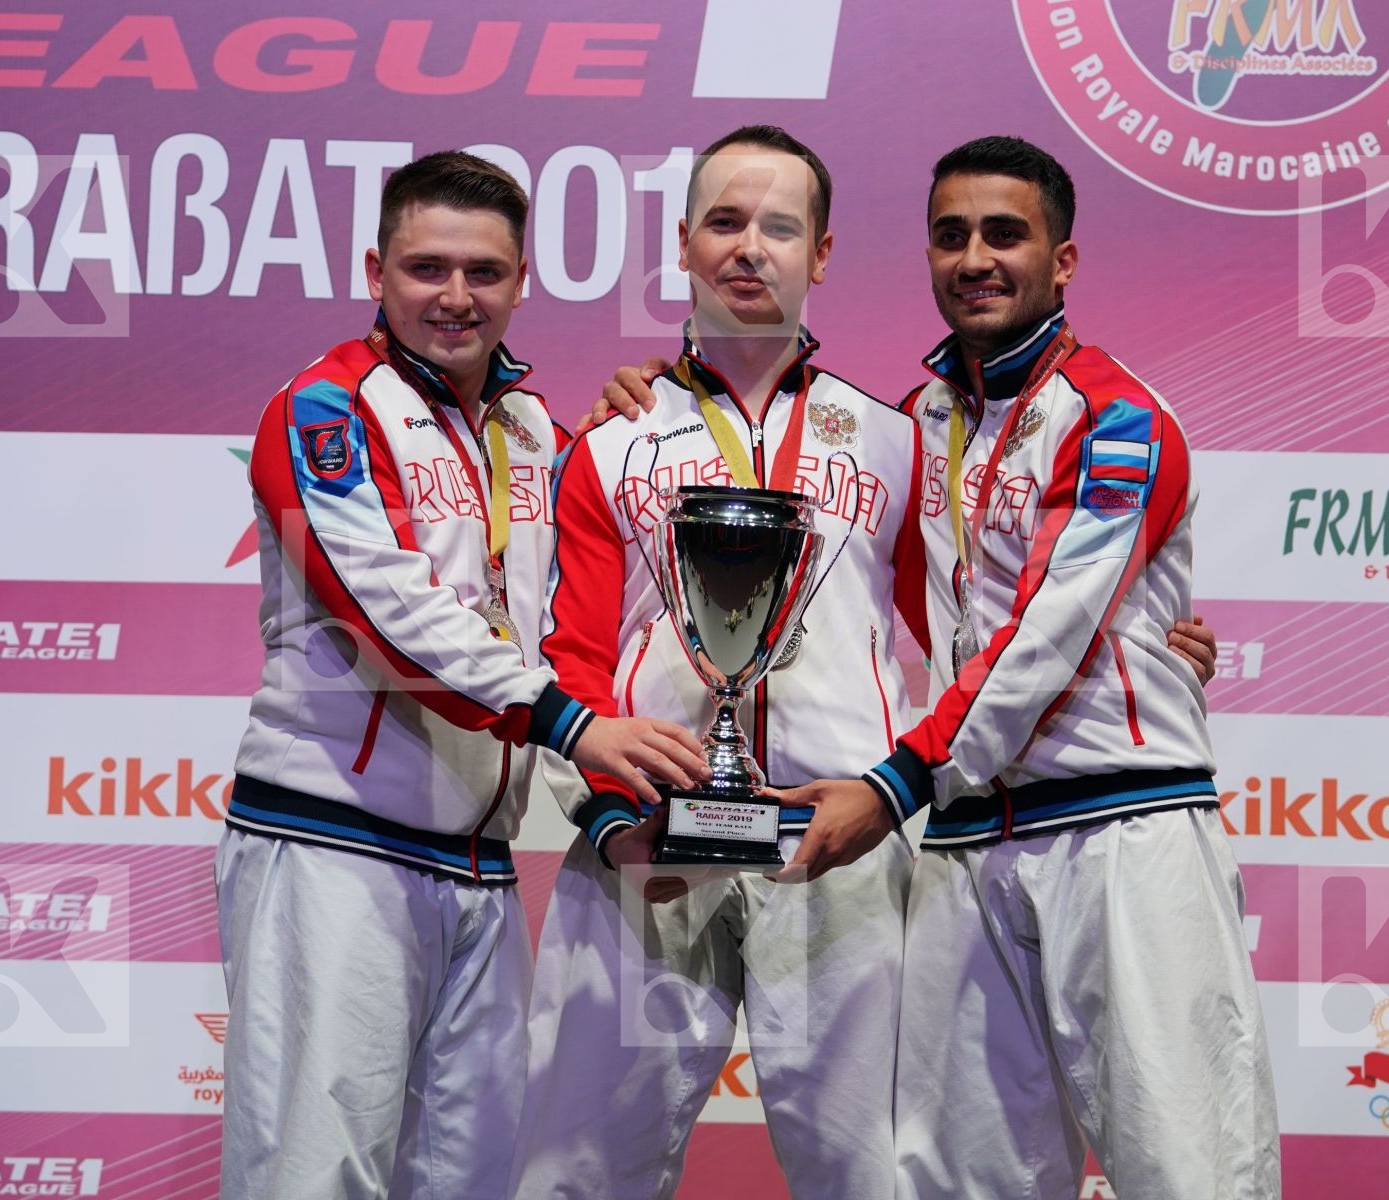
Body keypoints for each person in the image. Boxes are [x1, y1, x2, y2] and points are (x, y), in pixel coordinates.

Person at [514, 128, 1221, 1200]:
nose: (750, 248)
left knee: (874, 1175)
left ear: (825, 254)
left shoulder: (900, 441)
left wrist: (1140, 643)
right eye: (725, 221)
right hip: (645, 849)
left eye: (780, 226)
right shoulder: (609, 439)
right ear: (683, 243)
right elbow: (570, 646)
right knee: (575, 1170)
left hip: (839, 844)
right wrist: (608, 809)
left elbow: (973, 618)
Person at [784, 136, 1280, 1199]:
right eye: (951, 234)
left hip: (1120, 830)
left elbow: (1048, 635)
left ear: (1063, 260)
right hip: (969, 847)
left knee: (1190, 1165)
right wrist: (652, 398)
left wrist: (897, 782)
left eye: (1005, 234)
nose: (975, 257)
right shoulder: (919, 421)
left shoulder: (1117, 417)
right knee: (966, 1177)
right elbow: (803, 492)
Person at [216, 150, 707, 1200]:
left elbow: (598, 595)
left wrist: (645, 422)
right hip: (332, 843)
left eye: (483, 271)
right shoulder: (324, 410)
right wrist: (573, 727)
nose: (455, 295)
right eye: (425, 267)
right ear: (375, 272)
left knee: (472, 1176)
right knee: (315, 1169)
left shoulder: (535, 430)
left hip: (480, 864)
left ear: (523, 279)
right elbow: (392, 619)